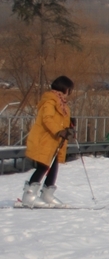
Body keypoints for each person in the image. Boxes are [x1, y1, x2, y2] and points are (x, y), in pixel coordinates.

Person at [21, 76, 76, 207]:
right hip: (44, 140)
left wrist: (69, 124)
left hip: (54, 142)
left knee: (53, 166)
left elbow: (59, 120)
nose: (70, 93)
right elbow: (47, 119)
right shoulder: (50, 102)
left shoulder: (62, 104)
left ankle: (47, 193)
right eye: (70, 90)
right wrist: (59, 131)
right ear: (65, 89)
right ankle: (28, 195)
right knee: (43, 166)